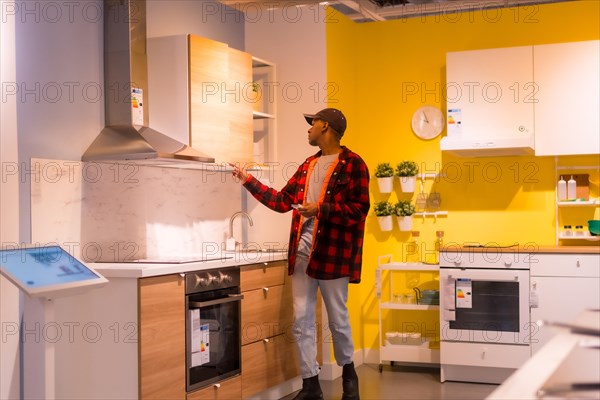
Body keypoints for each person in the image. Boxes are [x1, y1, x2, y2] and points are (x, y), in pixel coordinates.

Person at [230, 108, 370, 400]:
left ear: (326, 127)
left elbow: (359, 209)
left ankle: (348, 375)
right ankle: (310, 385)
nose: (309, 129)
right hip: (303, 256)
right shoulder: (308, 165)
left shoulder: (354, 164)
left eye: (313, 123)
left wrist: (321, 210)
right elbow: (283, 201)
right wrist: (248, 181)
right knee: (301, 320)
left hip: (333, 256)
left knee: (338, 319)